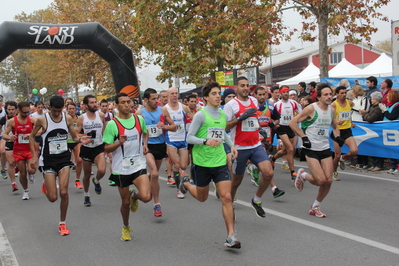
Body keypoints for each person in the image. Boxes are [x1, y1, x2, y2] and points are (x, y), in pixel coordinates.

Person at [181, 82, 240, 248]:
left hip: (220, 161)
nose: (217, 96)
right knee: (202, 197)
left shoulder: (222, 115)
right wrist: (205, 141)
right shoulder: (201, 115)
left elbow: (223, 133)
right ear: (206, 97)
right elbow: (189, 138)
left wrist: (232, 145)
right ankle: (185, 182)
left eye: (218, 93)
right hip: (201, 163)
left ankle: (231, 236)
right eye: (214, 93)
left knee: (227, 197)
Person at [29, 96, 91, 235]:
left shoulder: (67, 118)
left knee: (63, 192)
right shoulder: (42, 120)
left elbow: (73, 137)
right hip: (48, 161)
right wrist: (34, 156)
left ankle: (62, 223)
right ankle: (47, 185)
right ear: (49, 107)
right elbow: (32, 136)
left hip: (64, 159)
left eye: (59, 110)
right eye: (55, 111)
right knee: (53, 198)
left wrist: (81, 139)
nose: (57, 113)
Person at [289, 83, 343, 218]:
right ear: (318, 97)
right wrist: (303, 136)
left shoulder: (331, 109)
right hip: (310, 148)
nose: (329, 96)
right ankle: (303, 175)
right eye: (326, 94)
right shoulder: (311, 109)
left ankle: (315, 206)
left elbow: (335, 125)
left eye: (330, 94)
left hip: (324, 147)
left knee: (328, 180)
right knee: (320, 180)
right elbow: (292, 122)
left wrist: (337, 137)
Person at [103, 93, 152, 241]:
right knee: (124, 203)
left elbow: (145, 132)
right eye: (122, 102)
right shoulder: (113, 124)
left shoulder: (139, 119)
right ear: (116, 106)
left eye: (128, 102)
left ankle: (134, 196)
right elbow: (106, 147)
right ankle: (125, 226)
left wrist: (145, 145)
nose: (126, 104)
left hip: (138, 164)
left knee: (146, 197)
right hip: (121, 168)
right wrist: (118, 143)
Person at [224, 76, 274, 219]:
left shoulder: (253, 101)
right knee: (236, 181)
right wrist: (240, 119)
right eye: (242, 85)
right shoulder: (231, 105)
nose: (245, 88)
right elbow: (225, 126)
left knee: (268, 173)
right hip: (239, 147)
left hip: (256, 145)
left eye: (247, 85)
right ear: (236, 88)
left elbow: (254, 119)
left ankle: (256, 200)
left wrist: (260, 130)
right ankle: (230, 204)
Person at [137, 88, 176, 217]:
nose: (157, 101)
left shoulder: (162, 110)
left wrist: (164, 126)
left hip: (160, 145)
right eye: (153, 99)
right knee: (154, 173)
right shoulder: (139, 113)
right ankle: (157, 204)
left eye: (157, 98)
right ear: (146, 100)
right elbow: (134, 130)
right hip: (147, 147)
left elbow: (174, 127)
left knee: (154, 175)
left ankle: (139, 191)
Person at [250, 86, 285, 198]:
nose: (261, 97)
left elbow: (277, 118)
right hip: (255, 138)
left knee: (260, 161)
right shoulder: (251, 107)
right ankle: (274, 188)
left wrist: (273, 124)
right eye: (259, 94)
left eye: (263, 94)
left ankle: (253, 168)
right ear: (255, 95)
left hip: (267, 137)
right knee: (265, 161)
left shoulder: (270, 106)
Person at [75, 95, 106, 206]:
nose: (95, 104)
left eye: (95, 102)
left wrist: (106, 141)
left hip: (98, 147)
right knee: (87, 174)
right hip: (87, 148)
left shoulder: (101, 115)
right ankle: (86, 194)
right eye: (92, 103)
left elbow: (104, 130)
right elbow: (76, 133)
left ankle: (97, 181)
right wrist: (84, 136)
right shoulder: (82, 118)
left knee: (102, 170)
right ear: (86, 105)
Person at [2, 101, 37, 200]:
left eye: (28, 112)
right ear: (18, 110)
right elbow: (4, 135)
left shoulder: (32, 120)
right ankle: (26, 191)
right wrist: (10, 138)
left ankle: (31, 174)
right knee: (22, 172)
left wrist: (32, 134)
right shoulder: (12, 121)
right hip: (18, 150)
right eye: (24, 112)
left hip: (30, 149)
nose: (26, 114)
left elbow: (41, 129)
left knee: (31, 169)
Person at [164, 87, 193, 199]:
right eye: (172, 93)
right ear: (168, 95)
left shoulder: (184, 107)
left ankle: (181, 179)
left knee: (184, 165)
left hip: (182, 138)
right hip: (171, 139)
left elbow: (194, 118)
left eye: (176, 93)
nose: (175, 95)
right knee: (176, 164)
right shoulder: (165, 108)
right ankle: (178, 189)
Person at [270, 86, 302, 181]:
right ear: (281, 93)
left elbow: (301, 113)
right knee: (291, 149)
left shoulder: (293, 103)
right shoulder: (277, 105)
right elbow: (272, 116)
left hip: (291, 127)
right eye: (284, 92)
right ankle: (293, 172)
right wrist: (275, 123)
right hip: (281, 128)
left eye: (287, 92)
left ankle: (273, 158)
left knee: (285, 151)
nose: (286, 94)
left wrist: (297, 120)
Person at [330, 86, 358, 181]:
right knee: (336, 155)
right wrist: (336, 122)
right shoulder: (333, 105)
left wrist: (351, 122)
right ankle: (334, 172)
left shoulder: (349, 102)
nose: (344, 95)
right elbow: (330, 118)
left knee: (354, 151)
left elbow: (349, 113)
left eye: (345, 93)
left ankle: (343, 157)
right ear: (337, 94)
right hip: (337, 131)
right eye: (341, 93)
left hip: (347, 130)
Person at [362, 92, 384, 171]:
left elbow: (370, 119)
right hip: (373, 131)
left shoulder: (377, 109)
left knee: (378, 148)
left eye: (372, 99)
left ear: (376, 99)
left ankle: (378, 164)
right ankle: (375, 164)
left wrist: (365, 114)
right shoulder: (373, 108)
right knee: (374, 148)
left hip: (377, 131)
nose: (371, 100)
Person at [0, 101, 18, 190]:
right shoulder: (4, 119)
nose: (11, 111)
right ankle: (13, 182)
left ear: (16, 110)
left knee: (19, 161)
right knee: (3, 152)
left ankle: (18, 167)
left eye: (12, 109)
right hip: (6, 138)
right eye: (9, 109)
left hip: (19, 140)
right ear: (6, 110)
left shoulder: (20, 118)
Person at [350, 85, 369, 169]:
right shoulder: (354, 100)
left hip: (361, 122)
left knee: (363, 142)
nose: (351, 93)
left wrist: (352, 108)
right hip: (354, 122)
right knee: (356, 142)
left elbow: (363, 110)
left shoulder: (364, 99)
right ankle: (359, 161)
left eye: (353, 91)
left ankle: (364, 162)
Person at [66, 102, 83, 189]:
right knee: (63, 163)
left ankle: (77, 180)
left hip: (76, 141)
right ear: (67, 110)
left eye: (73, 109)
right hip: (66, 142)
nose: (72, 110)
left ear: (76, 110)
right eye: (70, 109)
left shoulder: (79, 119)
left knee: (79, 160)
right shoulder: (64, 119)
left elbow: (80, 132)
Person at [383, 90, 399, 173]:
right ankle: (392, 166)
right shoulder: (389, 106)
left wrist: (385, 111)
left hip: (395, 130)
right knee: (391, 148)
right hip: (389, 130)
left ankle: (397, 166)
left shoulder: (397, 106)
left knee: (396, 148)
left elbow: (392, 116)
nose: (386, 97)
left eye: (388, 96)